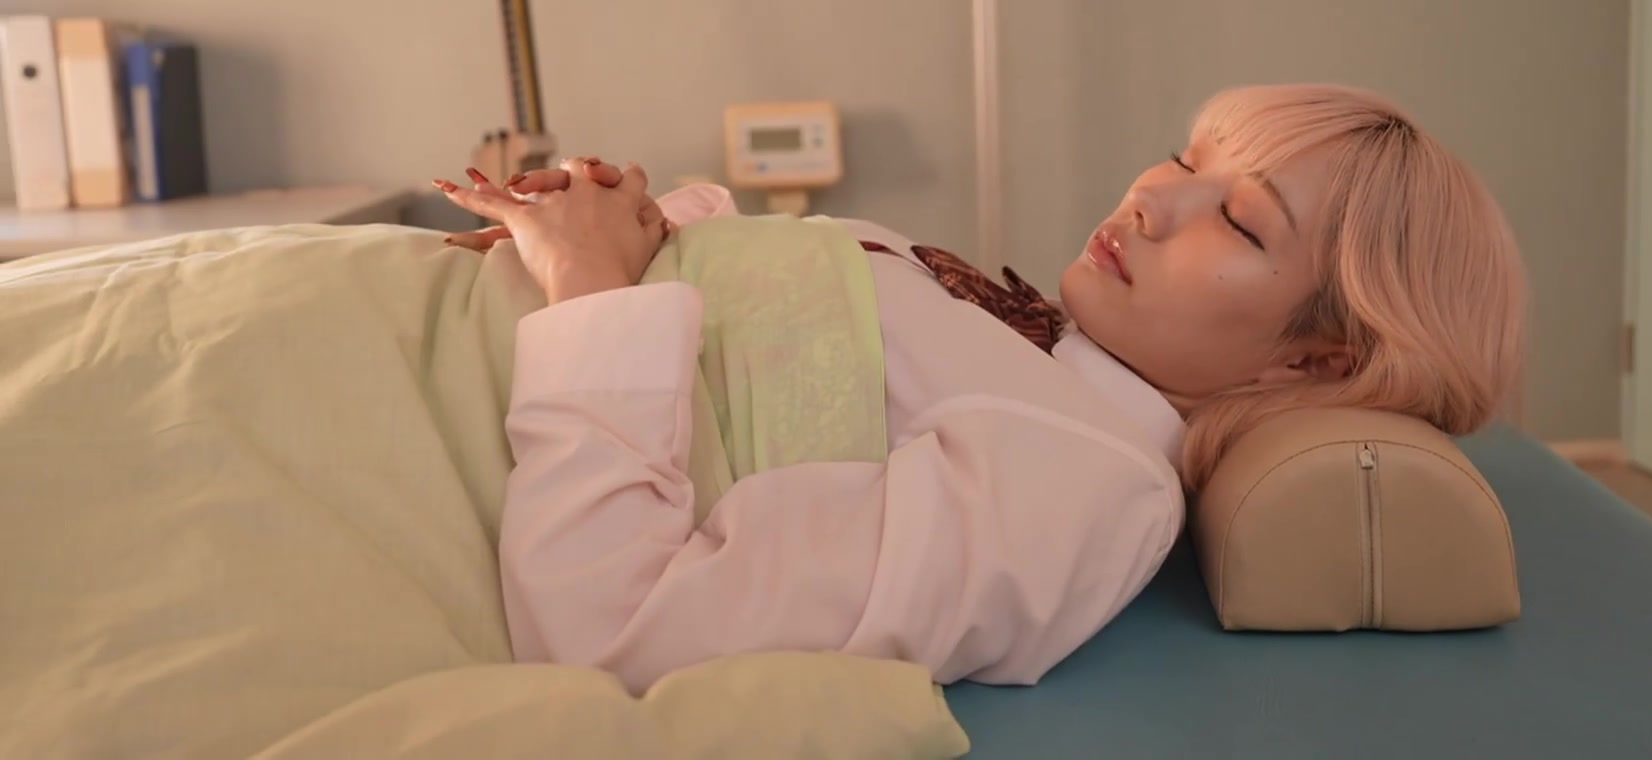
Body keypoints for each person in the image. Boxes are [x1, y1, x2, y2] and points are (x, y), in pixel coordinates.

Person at [434, 83, 1528, 694]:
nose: (1154, 200)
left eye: (1241, 222)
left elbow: (611, 627)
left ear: (1313, 362)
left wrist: (588, 282)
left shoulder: (1087, 482)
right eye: (1186, 159)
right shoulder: (1041, 358)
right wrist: (640, 225)